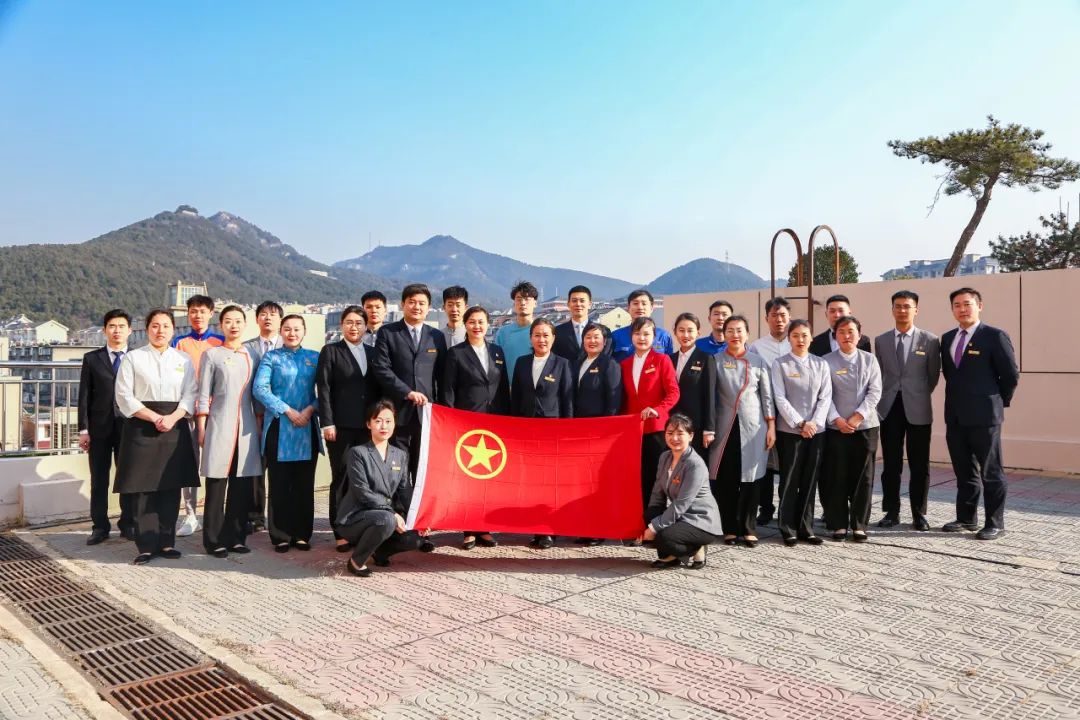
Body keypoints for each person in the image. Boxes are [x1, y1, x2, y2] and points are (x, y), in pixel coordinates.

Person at [114, 309, 200, 565]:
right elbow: (124, 396)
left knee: (170, 486)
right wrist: (154, 417)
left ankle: (166, 542)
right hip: (142, 426)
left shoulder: (183, 359)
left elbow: (190, 394)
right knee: (144, 488)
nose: (160, 330)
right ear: (147, 329)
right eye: (155, 325)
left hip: (174, 426)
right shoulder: (133, 358)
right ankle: (146, 545)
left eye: (165, 326)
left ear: (173, 330)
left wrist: (173, 418)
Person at [940, 288, 1019, 541]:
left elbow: (1010, 375)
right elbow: (952, 375)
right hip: (955, 416)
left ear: (979, 306)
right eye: (957, 305)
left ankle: (995, 523)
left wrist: (997, 402)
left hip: (985, 416)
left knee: (991, 471)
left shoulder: (994, 336)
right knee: (964, 470)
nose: (962, 309)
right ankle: (966, 518)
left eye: (967, 304)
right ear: (952, 309)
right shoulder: (947, 338)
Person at [440, 305, 510, 549]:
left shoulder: (497, 351)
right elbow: (448, 390)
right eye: (472, 322)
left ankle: (485, 528)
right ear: (465, 325)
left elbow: (503, 387)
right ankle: (468, 529)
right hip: (467, 423)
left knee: (489, 478)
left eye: (481, 322)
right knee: (468, 478)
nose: (477, 326)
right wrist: (450, 421)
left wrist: (507, 420)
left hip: (494, 423)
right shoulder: (456, 354)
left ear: (488, 324)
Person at [195, 305, 262, 558]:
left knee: (241, 484)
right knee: (216, 483)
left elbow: (257, 395)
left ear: (245, 325)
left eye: (238, 321)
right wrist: (202, 427)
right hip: (219, 423)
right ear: (220, 325)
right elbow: (203, 395)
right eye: (228, 321)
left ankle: (236, 537)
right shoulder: (212, 355)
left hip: (247, 427)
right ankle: (213, 540)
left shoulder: (252, 355)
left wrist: (258, 425)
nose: (233, 325)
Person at [253, 315, 322, 553]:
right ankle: (280, 535)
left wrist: (310, 409)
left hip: (307, 427)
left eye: (297, 329)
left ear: (304, 331)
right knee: (280, 483)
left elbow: (325, 389)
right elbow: (260, 388)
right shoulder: (271, 357)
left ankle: (302, 534)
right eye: (287, 329)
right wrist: (288, 411)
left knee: (304, 484)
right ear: (281, 331)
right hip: (279, 426)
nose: (292, 333)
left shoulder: (314, 357)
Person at [874, 290, 941, 531]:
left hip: (918, 408)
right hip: (889, 408)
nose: (902, 310)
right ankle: (891, 512)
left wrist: (917, 393)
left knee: (919, 464)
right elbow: (880, 374)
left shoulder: (930, 340)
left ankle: (919, 514)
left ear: (916, 310)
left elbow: (932, 376)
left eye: (907, 306)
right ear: (892, 309)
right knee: (891, 464)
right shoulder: (881, 341)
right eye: (898, 306)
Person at [337, 400, 427, 576]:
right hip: (356, 518)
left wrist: (419, 518)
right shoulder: (358, 453)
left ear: (394, 423)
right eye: (378, 421)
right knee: (387, 520)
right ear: (368, 424)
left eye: (388, 421)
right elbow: (362, 492)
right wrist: (392, 513)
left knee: (417, 537)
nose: (383, 426)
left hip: (384, 516)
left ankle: (378, 553)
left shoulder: (400, 455)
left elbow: (404, 490)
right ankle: (356, 561)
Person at [707, 315, 775, 548]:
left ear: (747, 334)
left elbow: (767, 397)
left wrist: (771, 426)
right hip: (724, 427)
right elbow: (710, 397)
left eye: (739, 330)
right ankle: (728, 528)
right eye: (730, 331)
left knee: (752, 479)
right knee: (725, 479)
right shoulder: (715, 360)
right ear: (723, 334)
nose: (735, 335)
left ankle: (748, 528)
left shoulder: (758, 361)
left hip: (753, 427)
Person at [317, 305, 377, 552]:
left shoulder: (373, 353)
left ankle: (360, 527)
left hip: (367, 427)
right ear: (341, 325)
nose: (354, 327)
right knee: (341, 477)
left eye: (359, 323)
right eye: (349, 322)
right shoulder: (331, 351)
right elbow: (324, 389)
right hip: (340, 427)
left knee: (364, 479)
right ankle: (339, 531)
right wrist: (327, 422)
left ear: (366, 326)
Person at [511, 318, 574, 549]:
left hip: (552, 431)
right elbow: (516, 398)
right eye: (537, 335)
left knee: (550, 482)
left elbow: (567, 400)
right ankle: (533, 526)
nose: (541, 340)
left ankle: (549, 530)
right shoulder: (521, 362)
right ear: (530, 338)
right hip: (526, 431)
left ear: (553, 338)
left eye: (546, 335)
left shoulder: (562, 364)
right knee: (531, 481)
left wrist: (566, 432)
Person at [78, 309, 136, 545]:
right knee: (99, 479)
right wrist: (84, 430)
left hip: (129, 427)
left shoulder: (137, 357)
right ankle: (100, 527)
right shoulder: (92, 358)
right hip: (99, 428)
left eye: (121, 326)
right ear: (104, 330)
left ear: (130, 330)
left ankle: (128, 523)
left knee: (128, 478)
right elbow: (84, 396)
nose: (117, 330)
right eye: (112, 326)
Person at [823, 316, 882, 543]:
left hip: (865, 427)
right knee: (837, 475)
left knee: (863, 477)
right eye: (841, 332)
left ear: (859, 334)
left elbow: (875, 392)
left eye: (851, 331)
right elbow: (824, 394)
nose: (846, 336)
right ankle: (838, 524)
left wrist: (858, 417)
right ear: (835, 335)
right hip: (836, 427)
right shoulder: (826, 361)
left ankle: (859, 524)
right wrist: (837, 419)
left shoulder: (869, 360)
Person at [771, 319, 830, 546]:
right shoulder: (780, 364)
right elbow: (780, 397)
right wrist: (800, 423)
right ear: (789, 339)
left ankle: (806, 527)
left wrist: (814, 423)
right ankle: (787, 528)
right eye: (795, 335)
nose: (800, 340)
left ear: (811, 338)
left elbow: (825, 397)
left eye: (804, 335)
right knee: (789, 479)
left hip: (816, 431)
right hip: (790, 431)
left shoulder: (820, 364)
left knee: (809, 479)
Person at [171, 293, 224, 538]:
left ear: (211, 313)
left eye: (202, 311)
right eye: (193, 311)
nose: (197, 315)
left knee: (218, 463)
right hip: (188, 412)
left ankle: (216, 514)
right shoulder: (179, 343)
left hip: (217, 412)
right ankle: (191, 515)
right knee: (189, 463)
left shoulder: (220, 342)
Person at [640, 414, 722, 569]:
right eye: (670, 433)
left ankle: (697, 547)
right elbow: (657, 493)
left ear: (690, 436)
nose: (674, 438)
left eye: (680, 433)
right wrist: (650, 517)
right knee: (649, 516)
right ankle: (670, 557)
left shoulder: (695, 464)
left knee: (663, 536)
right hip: (680, 515)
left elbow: (681, 504)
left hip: (699, 519)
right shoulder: (665, 457)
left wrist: (653, 528)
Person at [621, 317, 680, 528]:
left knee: (655, 479)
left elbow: (673, 392)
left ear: (654, 337)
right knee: (636, 478)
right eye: (637, 333)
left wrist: (658, 410)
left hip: (656, 429)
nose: (642, 338)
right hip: (632, 431)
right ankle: (637, 523)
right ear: (631, 337)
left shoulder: (662, 360)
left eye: (646, 334)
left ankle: (655, 524)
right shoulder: (624, 364)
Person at [571, 322, 623, 546]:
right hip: (579, 432)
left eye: (596, 337)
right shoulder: (578, 363)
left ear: (605, 341)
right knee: (583, 482)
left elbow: (614, 402)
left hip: (600, 433)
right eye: (588, 337)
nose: (592, 341)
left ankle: (599, 529)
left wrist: (606, 432)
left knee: (598, 484)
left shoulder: (610, 365)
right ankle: (584, 526)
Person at [748, 297, 791, 527]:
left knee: (788, 464)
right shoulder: (756, 346)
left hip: (793, 414)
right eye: (774, 315)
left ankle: (787, 508)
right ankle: (765, 508)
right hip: (766, 412)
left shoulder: (797, 341)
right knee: (765, 462)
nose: (779, 320)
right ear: (767, 319)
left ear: (789, 317)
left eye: (783, 315)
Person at [243, 300, 283, 532]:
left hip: (281, 418)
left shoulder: (289, 345)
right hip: (253, 416)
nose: (268, 318)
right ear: (257, 319)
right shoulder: (246, 348)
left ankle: (279, 517)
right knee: (256, 468)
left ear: (280, 320)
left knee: (278, 469)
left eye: (273, 314)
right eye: (264, 314)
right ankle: (255, 516)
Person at [668, 312, 716, 460]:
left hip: (696, 424)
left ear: (698, 333)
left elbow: (710, 395)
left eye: (690, 330)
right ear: (675, 332)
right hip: (673, 423)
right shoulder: (669, 359)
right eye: (681, 330)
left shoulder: (706, 358)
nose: (686, 335)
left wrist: (709, 429)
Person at [611, 290, 674, 362]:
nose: (640, 307)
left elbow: (670, 363)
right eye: (635, 303)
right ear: (628, 308)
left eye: (644, 304)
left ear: (652, 308)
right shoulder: (615, 336)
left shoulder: (664, 336)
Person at [553, 285, 612, 363]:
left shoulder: (604, 332)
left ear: (590, 304)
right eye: (574, 301)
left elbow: (606, 358)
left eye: (582, 301)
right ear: (568, 304)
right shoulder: (557, 332)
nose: (578, 304)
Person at [495, 281, 539, 383]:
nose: (522, 303)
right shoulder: (503, 333)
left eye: (527, 299)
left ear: (535, 303)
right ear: (514, 304)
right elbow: (496, 364)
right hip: (509, 388)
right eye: (519, 299)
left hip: (535, 388)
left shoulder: (542, 332)